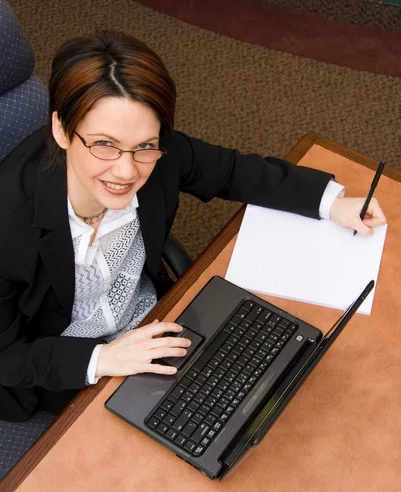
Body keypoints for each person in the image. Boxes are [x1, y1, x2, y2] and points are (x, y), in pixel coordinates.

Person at [0, 32, 386, 422]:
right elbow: (6, 355)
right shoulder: (7, 225)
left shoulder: (160, 154)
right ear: (62, 130)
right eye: (104, 144)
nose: (127, 170)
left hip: (154, 319)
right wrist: (104, 357)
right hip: (65, 368)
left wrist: (330, 203)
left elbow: (234, 171)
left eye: (145, 146)